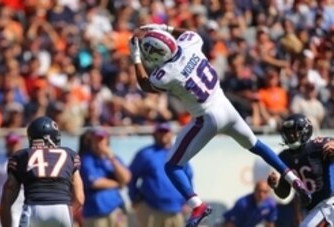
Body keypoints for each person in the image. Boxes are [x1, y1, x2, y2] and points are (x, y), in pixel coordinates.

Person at [128, 24, 311, 227]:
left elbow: (145, 84)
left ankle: (197, 205)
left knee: (172, 165)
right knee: (257, 146)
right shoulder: (191, 44)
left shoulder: (166, 73)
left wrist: (136, 56)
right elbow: (188, 33)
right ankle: (294, 178)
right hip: (227, 107)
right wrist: (165, 28)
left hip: (206, 118)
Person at [0, 116, 85, 227]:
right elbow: (79, 198)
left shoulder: (21, 155)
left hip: (33, 208)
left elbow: (9, 190)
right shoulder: (70, 155)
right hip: (63, 210)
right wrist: (64, 216)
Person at [267, 113, 334, 227]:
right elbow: (284, 193)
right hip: (312, 209)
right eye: (288, 132)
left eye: (294, 131)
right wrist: (275, 186)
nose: (291, 135)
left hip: (328, 202)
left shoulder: (316, 146)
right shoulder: (284, 157)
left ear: (305, 130)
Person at [128, 122, 193, 227]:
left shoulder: (179, 152)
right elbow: (130, 176)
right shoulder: (145, 154)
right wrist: (134, 198)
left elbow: (188, 178)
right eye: (160, 132)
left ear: (171, 134)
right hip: (150, 209)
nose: (163, 135)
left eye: (166, 132)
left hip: (175, 210)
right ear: (154, 134)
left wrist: (188, 201)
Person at [80, 128, 131, 227]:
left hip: (116, 210)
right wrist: (117, 183)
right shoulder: (86, 159)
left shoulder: (113, 158)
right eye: (96, 139)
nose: (99, 143)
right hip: (95, 213)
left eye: (101, 139)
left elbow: (126, 178)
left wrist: (111, 158)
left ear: (107, 140)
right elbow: (95, 182)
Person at [0, 132, 24, 227]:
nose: (13, 146)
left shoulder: (28, 160)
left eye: (15, 143)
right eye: (11, 144)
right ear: (6, 144)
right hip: (1, 208)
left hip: (22, 209)